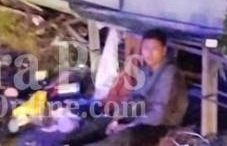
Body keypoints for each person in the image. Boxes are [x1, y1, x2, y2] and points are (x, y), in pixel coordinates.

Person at [19, 28, 188, 146]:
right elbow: (134, 99)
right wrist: (117, 119)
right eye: (146, 49)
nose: (149, 53)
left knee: (123, 137)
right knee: (103, 121)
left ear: (164, 50)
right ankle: (68, 143)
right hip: (141, 117)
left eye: (154, 49)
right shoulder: (146, 70)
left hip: (160, 125)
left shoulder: (169, 73)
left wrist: (127, 125)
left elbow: (157, 114)